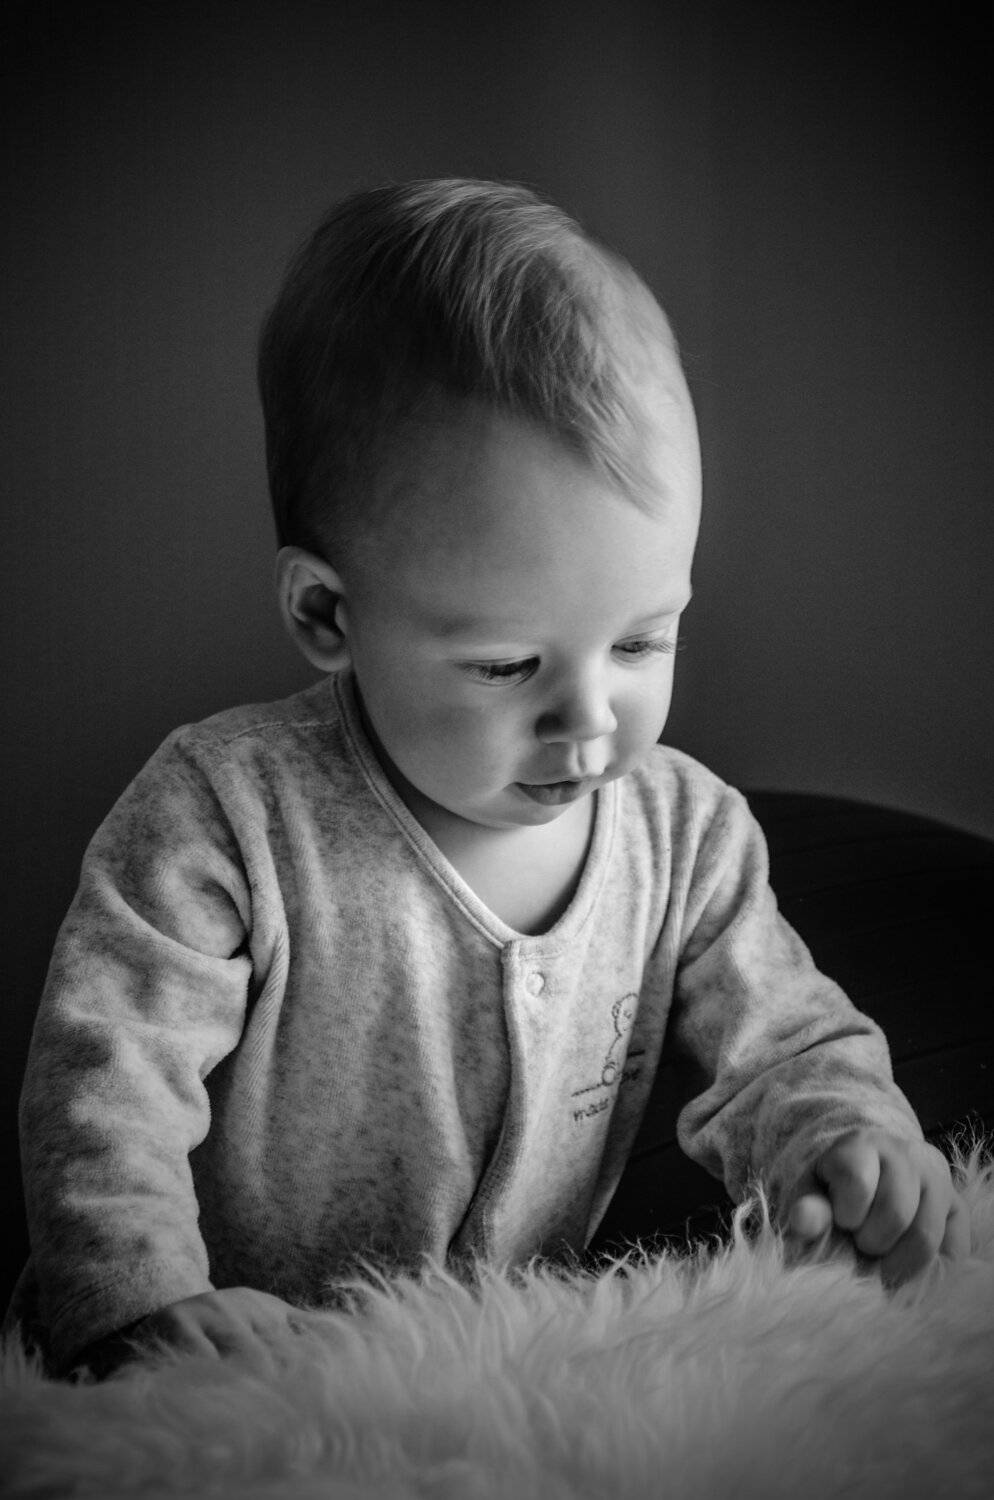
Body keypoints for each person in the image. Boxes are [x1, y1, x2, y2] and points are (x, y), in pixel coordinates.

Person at [7, 178, 968, 1377]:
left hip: (496, 1381)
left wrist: (846, 1144)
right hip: (243, 1376)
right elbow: (108, 1078)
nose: (589, 719)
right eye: (508, 665)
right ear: (327, 613)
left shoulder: (686, 836)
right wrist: (142, 1299)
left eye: (641, 641)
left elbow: (784, 1046)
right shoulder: (225, 812)